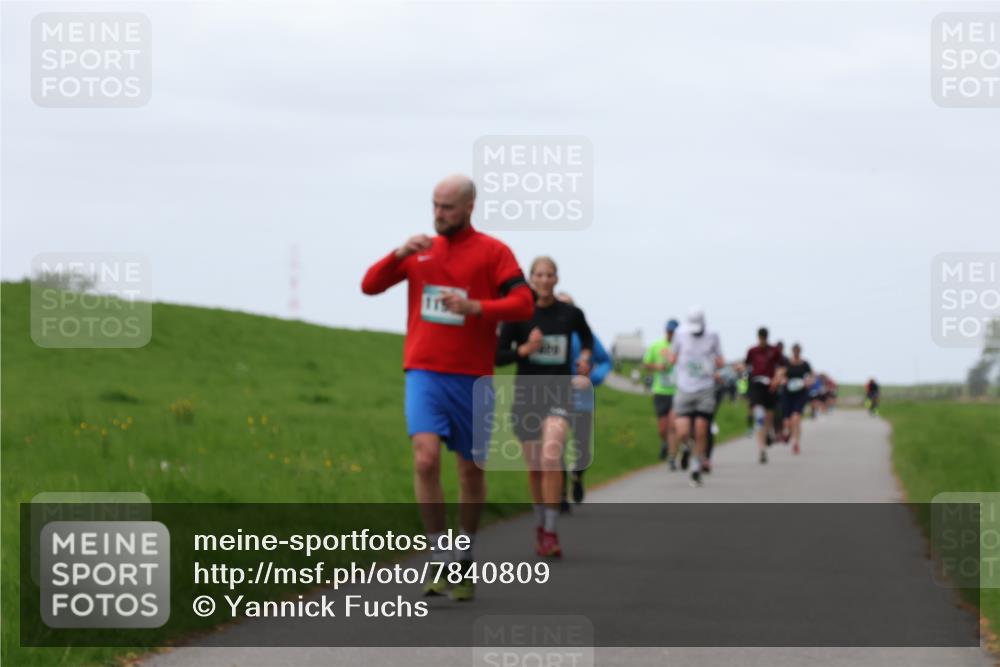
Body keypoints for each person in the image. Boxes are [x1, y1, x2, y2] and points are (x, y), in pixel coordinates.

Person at [361, 174, 534, 600]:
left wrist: (477, 307)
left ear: (469, 208)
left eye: (447, 208)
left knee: (470, 470)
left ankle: (465, 558)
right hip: (424, 371)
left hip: (474, 378)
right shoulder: (420, 252)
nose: (438, 215)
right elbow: (369, 285)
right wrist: (398, 252)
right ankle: (438, 557)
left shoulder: (493, 252)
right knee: (424, 459)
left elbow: (523, 303)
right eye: (435, 206)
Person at [496, 257, 594, 558]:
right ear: (530, 277)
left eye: (550, 274)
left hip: (558, 393)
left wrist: (585, 358)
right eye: (539, 274)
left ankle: (551, 531)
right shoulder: (518, 313)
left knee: (552, 454)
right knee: (536, 466)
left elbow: (587, 337)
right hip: (527, 396)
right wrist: (524, 350)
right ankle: (540, 524)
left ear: (557, 278)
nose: (544, 280)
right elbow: (498, 356)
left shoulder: (570, 313)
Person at [556, 291, 610, 508]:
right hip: (555, 397)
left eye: (567, 306)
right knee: (555, 443)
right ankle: (560, 495)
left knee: (581, 448)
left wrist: (592, 378)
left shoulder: (585, 336)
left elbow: (605, 360)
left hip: (581, 399)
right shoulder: (546, 333)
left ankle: (577, 476)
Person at [669, 307, 724, 487]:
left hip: (705, 388)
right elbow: (672, 356)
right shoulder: (680, 334)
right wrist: (671, 360)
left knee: (701, 429)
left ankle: (695, 467)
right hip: (685, 387)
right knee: (683, 431)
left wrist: (714, 367)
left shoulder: (713, 335)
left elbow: (720, 359)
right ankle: (686, 448)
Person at [642, 319, 679, 468]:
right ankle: (664, 443)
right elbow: (646, 364)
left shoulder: (681, 347)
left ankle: (672, 456)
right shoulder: (657, 345)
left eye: (674, 333)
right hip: (660, 391)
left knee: (672, 425)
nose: (671, 335)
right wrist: (657, 366)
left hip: (676, 391)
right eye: (669, 332)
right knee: (662, 428)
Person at [745, 327, 783, 464]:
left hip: (770, 386)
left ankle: (767, 433)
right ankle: (761, 449)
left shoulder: (774, 351)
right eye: (761, 337)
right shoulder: (752, 351)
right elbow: (747, 366)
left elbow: (781, 367)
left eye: (764, 337)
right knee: (759, 416)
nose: (762, 340)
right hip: (756, 385)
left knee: (769, 416)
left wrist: (777, 379)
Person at [777, 343, 813, 454]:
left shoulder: (805, 364)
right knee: (787, 420)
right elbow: (779, 374)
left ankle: (796, 443)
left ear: (800, 351)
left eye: (798, 351)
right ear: (792, 351)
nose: (796, 353)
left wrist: (808, 382)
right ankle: (787, 433)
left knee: (796, 418)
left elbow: (812, 376)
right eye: (795, 351)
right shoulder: (787, 363)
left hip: (800, 393)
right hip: (787, 393)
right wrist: (782, 379)